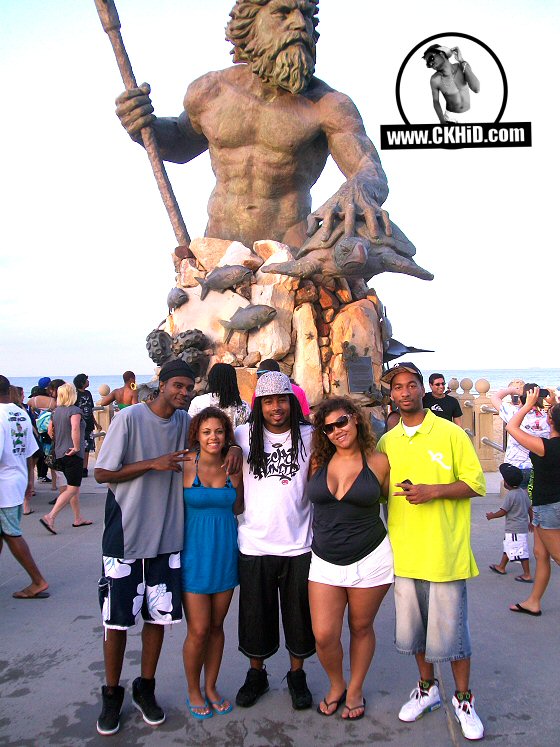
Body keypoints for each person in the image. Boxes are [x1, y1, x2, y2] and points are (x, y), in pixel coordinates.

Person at [115, 0, 401, 262]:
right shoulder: (210, 92)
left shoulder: (327, 105)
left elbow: (369, 169)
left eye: (307, 16)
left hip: (290, 256)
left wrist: (356, 190)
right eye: (283, 13)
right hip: (218, 255)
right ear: (250, 26)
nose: (300, 24)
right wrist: (144, 126)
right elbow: (180, 141)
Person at [93, 360, 241, 736]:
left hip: (166, 541)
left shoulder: (180, 424)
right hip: (125, 536)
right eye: (177, 386)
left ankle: (146, 688)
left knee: (156, 620)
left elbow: (213, 438)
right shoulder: (128, 419)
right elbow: (102, 473)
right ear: (160, 383)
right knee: (117, 622)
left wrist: (235, 444)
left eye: (188, 388)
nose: (183, 393)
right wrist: (152, 464)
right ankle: (112, 694)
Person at [377, 362, 486, 741]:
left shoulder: (451, 433)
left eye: (411, 385)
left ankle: (464, 699)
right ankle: (428, 690)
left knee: (454, 635)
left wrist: (433, 490)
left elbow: (476, 484)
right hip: (405, 554)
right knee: (417, 634)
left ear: (422, 389)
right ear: (390, 395)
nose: (404, 392)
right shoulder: (387, 442)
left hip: (445, 553)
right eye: (398, 388)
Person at [233, 371, 315, 710]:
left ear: (292, 401)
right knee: (255, 616)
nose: (276, 407)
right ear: (259, 405)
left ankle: (297, 676)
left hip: (299, 543)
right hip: (254, 542)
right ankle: (257, 674)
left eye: (282, 399)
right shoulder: (240, 435)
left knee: (300, 616)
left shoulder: (310, 436)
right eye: (268, 401)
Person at [308, 396, 393, 720]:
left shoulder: (380, 462)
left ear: (356, 419)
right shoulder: (318, 462)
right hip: (325, 560)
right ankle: (336, 684)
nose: (336, 431)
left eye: (341, 422)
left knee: (360, 627)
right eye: (328, 428)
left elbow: (393, 506)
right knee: (325, 634)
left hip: (371, 558)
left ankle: (355, 689)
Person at [181, 406, 243, 719]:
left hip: (225, 554)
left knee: (217, 627)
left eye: (219, 431)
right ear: (197, 435)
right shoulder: (185, 465)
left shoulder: (233, 466)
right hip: (193, 555)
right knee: (199, 629)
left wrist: (238, 458)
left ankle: (211, 686)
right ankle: (193, 688)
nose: (213, 437)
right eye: (206, 432)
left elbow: (239, 506)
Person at [505, 388, 560, 617]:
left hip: (548, 506)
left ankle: (534, 601)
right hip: (543, 507)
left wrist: (526, 405)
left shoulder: (545, 447)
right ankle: (533, 602)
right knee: (541, 554)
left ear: (549, 420)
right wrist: (554, 402)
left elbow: (511, 428)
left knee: (557, 555)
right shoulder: (548, 445)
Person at [0, 375, 49, 600]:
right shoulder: (19, 412)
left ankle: (37, 580)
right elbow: (31, 451)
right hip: (17, 477)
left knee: (11, 533)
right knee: (4, 532)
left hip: (4, 484)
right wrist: (30, 480)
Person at [39, 383, 91, 534]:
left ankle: (77, 518)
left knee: (72, 486)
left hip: (60, 452)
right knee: (72, 488)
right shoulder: (75, 411)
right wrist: (75, 447)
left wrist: (60, 440)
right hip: (72, 454)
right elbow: (75, 428)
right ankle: (50, 516)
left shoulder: (56, 412)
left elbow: (50, 431)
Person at [491, 382, 550, 489]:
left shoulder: (513, 413)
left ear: (522, 397)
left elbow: (495, 397)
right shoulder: (548, 418)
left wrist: (512, 390)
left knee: (517, 501)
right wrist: (553, 400)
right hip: (539, 467)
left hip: (516, 466)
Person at [486, 463, 533, 582]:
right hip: (519, 528)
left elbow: (503, 511)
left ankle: (527, 574)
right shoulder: (523, 492)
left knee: (520, 551)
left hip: (514, 530)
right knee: (509, 546)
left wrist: (492, 516)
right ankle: (501, 567)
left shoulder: (511, 495)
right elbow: (530, 508)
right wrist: (531, 521)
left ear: (506, 483)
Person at [422, 45, 480, 124]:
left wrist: (461, 60)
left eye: (431, 58)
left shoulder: (462, 66)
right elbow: (436, 102)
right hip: (450, 118)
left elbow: (476, 88)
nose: (431, 64)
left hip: (470, 114)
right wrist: (442, 122)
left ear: (441, 54)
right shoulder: (435, 79)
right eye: (428, 64)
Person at [188, 362, 251, 428]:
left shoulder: (198, 402)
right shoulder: (244, 407)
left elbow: (190, 428)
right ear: (234, 381)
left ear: (211, 380)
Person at [74, 374, 101, 477]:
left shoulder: (88, 393)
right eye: (86, 380)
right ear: (82, 382)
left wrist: (96, 423)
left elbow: (90, 410)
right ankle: (79, 467)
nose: (88, 382)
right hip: (79, 425)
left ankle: (84, 468)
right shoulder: (75, 395)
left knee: (87, 447)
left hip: (88, 424)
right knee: (79, 446)